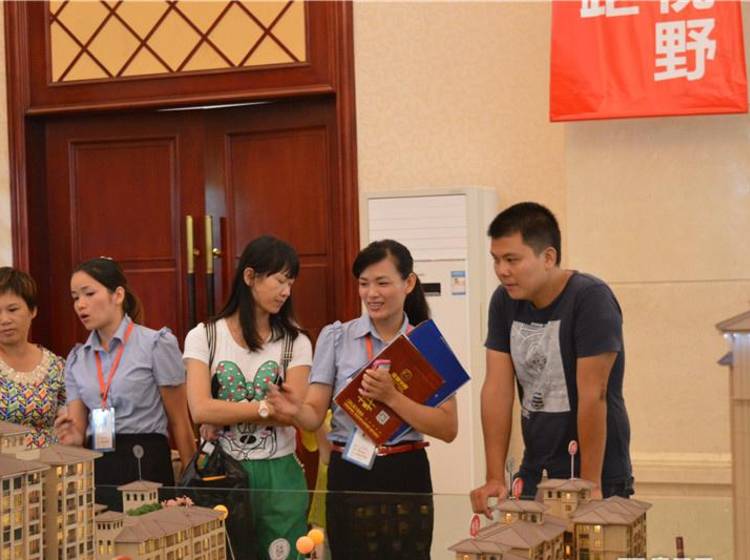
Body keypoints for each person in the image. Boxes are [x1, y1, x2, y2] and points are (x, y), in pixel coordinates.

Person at [268, 239, 458, 560]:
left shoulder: (427, 344)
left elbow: (448, 428)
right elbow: (314, 416)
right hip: (351, 470)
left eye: (382, 283)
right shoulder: (336, 337)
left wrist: (392, 397)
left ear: (409, 283)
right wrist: (294, 410)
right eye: (364, 283)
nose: (371, 294)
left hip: (406, 471)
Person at [470, 202, 632, 518]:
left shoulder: (590, 297)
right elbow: (497, 389)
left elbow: (594, 394)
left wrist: (590, 484)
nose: (502, 271)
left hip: (597, 472)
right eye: (496, 260)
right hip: (536, 469)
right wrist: (494, 477)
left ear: (548, 257)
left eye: (512, 260)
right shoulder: (503, 301)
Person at [183, 235, 312, 560]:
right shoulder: (204, 336)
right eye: (280, 280)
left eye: (291, 283)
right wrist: (266, 407)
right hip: (222, 470)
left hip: (280, 472)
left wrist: (225, 412)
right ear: (250, 276)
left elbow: (292, 412)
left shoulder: (296, 342)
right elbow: (200, 409)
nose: (286, 291)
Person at [55, 257, 196, 508]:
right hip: (99, 464)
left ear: (118, 295)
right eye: (75, 297)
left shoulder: (155, 344)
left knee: (150, 529)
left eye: (89, 294)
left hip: (146, 459)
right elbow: (78, 429)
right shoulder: (77, 359)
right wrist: (73, 437)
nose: (80, 305)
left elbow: (180, 421)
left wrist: (192, 486)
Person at [0, 267, 66, 448]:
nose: (4, 320)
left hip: (50, 462)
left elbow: (70, 425)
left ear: (33, 310)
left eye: (13, 309)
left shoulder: (56, 366)